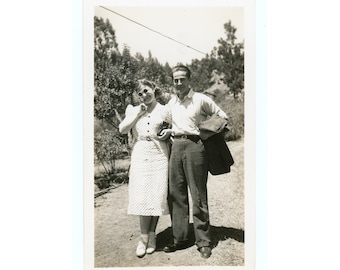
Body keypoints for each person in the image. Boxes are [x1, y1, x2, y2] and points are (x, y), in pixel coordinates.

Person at [163, 65, 228, 259]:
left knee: (198, 195)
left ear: (189, 80)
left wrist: (205, 130)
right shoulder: (171, 103)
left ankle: (204, 241)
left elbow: (222, 116)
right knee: (176, 194)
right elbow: (160, 118)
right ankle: (180, 238)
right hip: (176, 147)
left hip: (195, 147)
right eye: (175, 80)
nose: (179, 83)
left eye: (182, 79)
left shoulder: (200, 99)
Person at [119, 79, 172, 258]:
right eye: (140, 93)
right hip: (141, 154)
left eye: (146, 90)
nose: (144, 95)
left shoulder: (165, 110)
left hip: (159, 155)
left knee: (156, 195)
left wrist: (169, 132)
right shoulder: (133, 109)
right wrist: (137, 115)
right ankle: (143, 239)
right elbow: (122, 129)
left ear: (154, 89)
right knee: (142, 196)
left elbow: (173, 127)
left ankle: (152, 236)